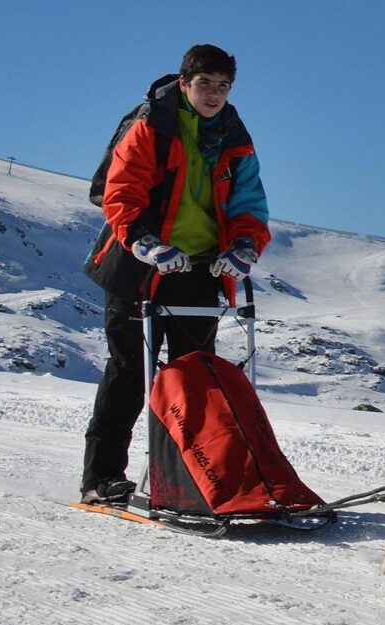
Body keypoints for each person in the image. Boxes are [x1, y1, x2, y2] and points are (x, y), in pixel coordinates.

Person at [80, 44, 270, 504]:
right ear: (185, 83)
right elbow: (121, 192)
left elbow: (249, 203)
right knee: (129, 373)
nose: (214, 94)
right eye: (205, 83)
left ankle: (193, 482)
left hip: (200, 270)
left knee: (194, 381)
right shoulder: (154, 125)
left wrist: (245, 246)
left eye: (223, 86)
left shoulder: (234, 136)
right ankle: (101, 479)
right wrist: (145, 241)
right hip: (140, 267)